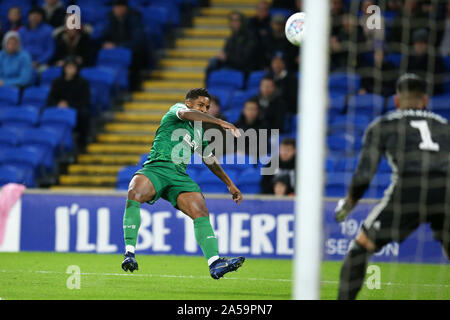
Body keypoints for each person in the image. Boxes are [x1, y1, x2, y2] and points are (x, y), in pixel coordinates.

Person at [334, 74, 450, 300]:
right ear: (425, 101)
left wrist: (348, 205)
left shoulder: (384, 125)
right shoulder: (444, 126)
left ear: (396, 101)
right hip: (446, 189)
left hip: (409, 188)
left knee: (362, 247)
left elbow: (364, 174)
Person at [121, 88, 246, 279]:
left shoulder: (198, 132)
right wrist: (219, 121)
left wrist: (229, 183)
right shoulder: (177, 110)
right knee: (134, 193)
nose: (204, 110)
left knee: (200, 211)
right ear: (189, 103)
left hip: (179, 176)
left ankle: (215, 263)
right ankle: (129, 253)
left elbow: (209, 158)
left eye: (207, 107)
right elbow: (187, 113)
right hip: (157, 168)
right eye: (200, 105)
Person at [46, 57, 91, 148]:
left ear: (77, 69)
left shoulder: (83, 83)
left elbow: (85, 100)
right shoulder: (57, 82)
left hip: (76, 109)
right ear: (64, 68)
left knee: (84, 114)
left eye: (72, 67)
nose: (70, 70)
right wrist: (58, 104)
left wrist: (69, 105)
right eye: (68, 67)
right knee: (43, 112)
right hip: (58, 108)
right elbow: (50, 98)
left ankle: (82, 142)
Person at [102, 0, 146, 90]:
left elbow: (137, 41)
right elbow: (103, 35)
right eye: (115, 7)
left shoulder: (134, 18)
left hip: (133, 51)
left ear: (124, 8)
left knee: (135, 55)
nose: (116, 10)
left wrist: (116, 45)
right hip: (115, 50)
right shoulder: (110, 17)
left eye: (118, 8)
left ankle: (133, 87)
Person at [206, 11, 257, 77]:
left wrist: (227, 58)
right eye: (231, 20)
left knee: (219, 69)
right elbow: (225, 53)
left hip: (243, 67)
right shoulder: (231, 38)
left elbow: (246, 59)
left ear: (242, 22)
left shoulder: (250, 37)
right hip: (230, 64)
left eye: (236, 20)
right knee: (212, 63)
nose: (233, 23)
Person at [405, 28, 446, 95]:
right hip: (412, 93)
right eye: (417, 43)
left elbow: (439, 81)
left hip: (432, 93)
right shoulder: (409, 57)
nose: (420, 46)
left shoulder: (435, 57)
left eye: (422, 43)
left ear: (427, 44)